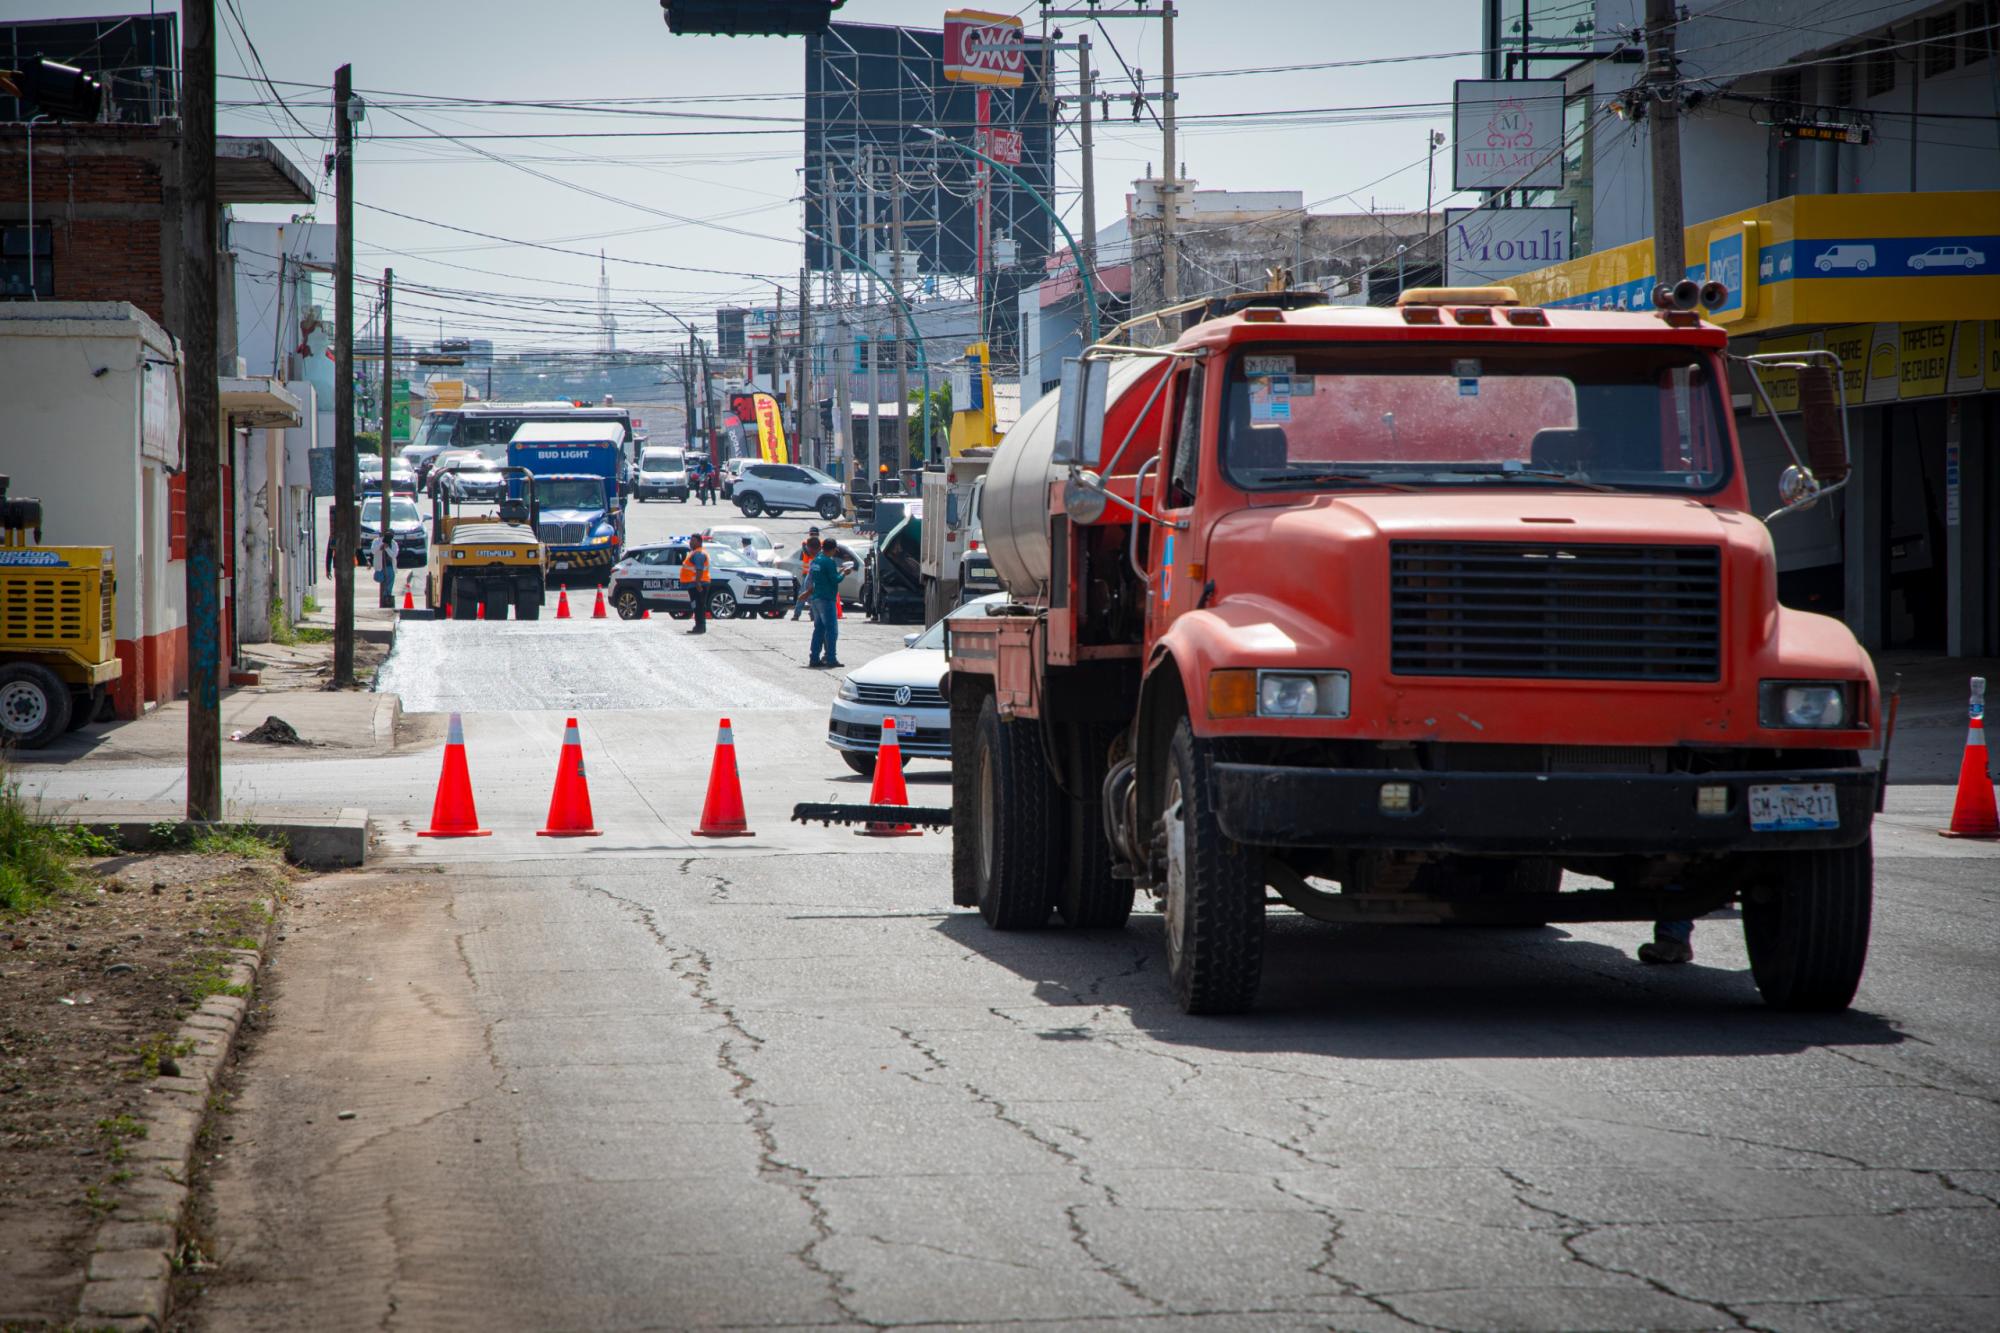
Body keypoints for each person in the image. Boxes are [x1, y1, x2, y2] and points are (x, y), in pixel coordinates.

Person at [806, 538, 848, 668]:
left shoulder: (816, 560)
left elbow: (819, 577)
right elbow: (835, 580)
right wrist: (844, 574)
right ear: (833, 549)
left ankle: (814, 658)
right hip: (827, 598)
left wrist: (838, 572)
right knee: (832, 631)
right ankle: (831, 658)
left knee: (819, 629)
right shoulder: (829, 562)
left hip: (816, 598)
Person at [679, 532, 712, 634]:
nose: (690, 542)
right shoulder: (694, 553)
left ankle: (700, 627)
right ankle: (698, 626)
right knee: (697, 606)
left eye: (693, 541)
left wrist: (697, 583)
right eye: (691, 540)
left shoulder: (698, 554)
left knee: (699, 606)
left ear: (699, 542)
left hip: (698, 584)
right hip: (694, 584)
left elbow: (699, 569)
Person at [792, 527, 822, 621]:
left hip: (817, 573)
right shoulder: (805, 543)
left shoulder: (821, 543)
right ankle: (797, 614)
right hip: (807, 573)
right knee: (803, 593)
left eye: (815, 534)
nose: (813, 536)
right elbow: (809, 553)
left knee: (814, 594)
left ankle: (813, 614)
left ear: (818, 534)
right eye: (812, 534)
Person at [368, 530, 400, 608]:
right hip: (379, 566)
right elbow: (373, 551)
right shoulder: (377, 541)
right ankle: (385, 593)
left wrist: (387, 548)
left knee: (389, 582)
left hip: (389, 566)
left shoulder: (394, 543)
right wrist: (381, 546)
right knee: (378, 578)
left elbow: (394, 555)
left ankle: (386, 598)